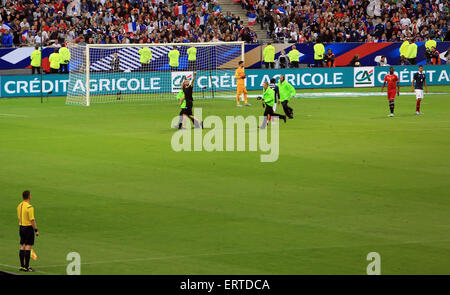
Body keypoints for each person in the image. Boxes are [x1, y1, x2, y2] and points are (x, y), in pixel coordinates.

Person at [17, 190, 39, 272]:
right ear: (29, 196)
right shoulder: (29, 207)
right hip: (28, 228)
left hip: (21, 227)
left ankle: (22, 266)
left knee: (22, 246)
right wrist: (36, 230)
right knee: (28, 247)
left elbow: (19, 218)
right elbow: (32, 220)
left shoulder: (19, 206)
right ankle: (27, 266)